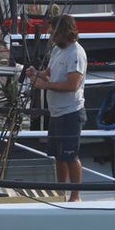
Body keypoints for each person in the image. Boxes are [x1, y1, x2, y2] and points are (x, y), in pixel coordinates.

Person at [24, 14, 86, 202]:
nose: (51, 35)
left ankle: (75, 196)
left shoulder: (76, 54)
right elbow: (49, 73)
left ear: (63, 32)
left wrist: (46, 85)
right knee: (58, 156)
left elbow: (72, 85)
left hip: (71, 112)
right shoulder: (57, 50)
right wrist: (37, 73)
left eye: (54, 32)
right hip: (56, 112)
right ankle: (61, 192)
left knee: (70, 156)